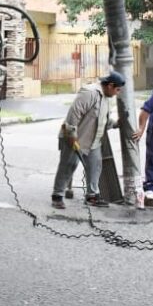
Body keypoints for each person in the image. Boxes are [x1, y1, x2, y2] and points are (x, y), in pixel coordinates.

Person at [51, 71, 125, 209]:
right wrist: (72, 137)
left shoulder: (107, 98)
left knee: (95, 166)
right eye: (117, 89)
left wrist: (116, 124)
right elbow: (73, 115)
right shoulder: (89, 93)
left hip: (93, 141)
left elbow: (103, 120)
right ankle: (57, 196)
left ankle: (92, 196)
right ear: (110, 85)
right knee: (68, 166)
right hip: (75, 138)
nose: (117, 93)